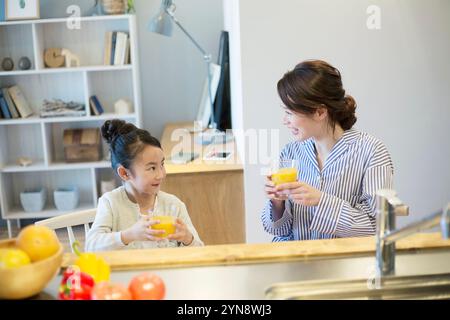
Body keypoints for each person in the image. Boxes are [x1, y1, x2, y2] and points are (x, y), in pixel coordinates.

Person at [262, 60, 394, 241]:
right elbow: (280, 231)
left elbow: (378, 226)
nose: (284, 120)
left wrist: (321, 201)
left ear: (320, 112)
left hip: (344, 265)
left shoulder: (371, 152)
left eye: (290, 113)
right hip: (297, 262)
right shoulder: (291, 152)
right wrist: (277, 202)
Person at [86, 119, 203, 251]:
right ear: (124, 173)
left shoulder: (174, 205)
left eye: (162, 164)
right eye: (152, 168)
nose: (161, 174)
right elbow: (90, 246)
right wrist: (129, 235)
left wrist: (188, 238)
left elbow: (200, 250)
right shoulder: (110, 203)